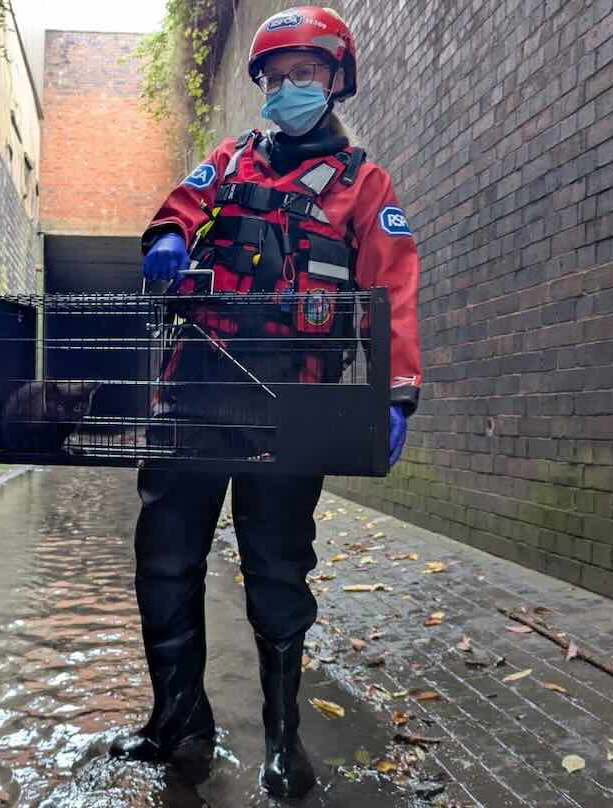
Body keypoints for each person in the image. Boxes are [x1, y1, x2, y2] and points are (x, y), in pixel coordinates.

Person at [109, 6, 422, 799]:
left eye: (303, 74)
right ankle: (177, 722)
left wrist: (397, 394)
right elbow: (182, 206)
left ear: (336, 80)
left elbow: (392, 289)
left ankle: (285, 740)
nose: (287, 88)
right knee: (165, 558)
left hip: (293, 402)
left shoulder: (363, 185)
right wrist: (166, 237)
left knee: (278, 569)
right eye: (275, 78)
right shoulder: (231, 161)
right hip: (195, 390)